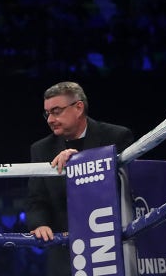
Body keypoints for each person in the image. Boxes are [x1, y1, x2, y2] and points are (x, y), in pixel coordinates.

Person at [26, 81, 134, 276]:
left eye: (56, 111)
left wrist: (81, 160)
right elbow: (37, 198)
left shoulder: (116, 136)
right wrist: (39, 224)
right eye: (47, 113)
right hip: (65, 251)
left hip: (110, 244)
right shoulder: (41, 149)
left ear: (78, 108)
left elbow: (128, 187)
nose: (50, 119)